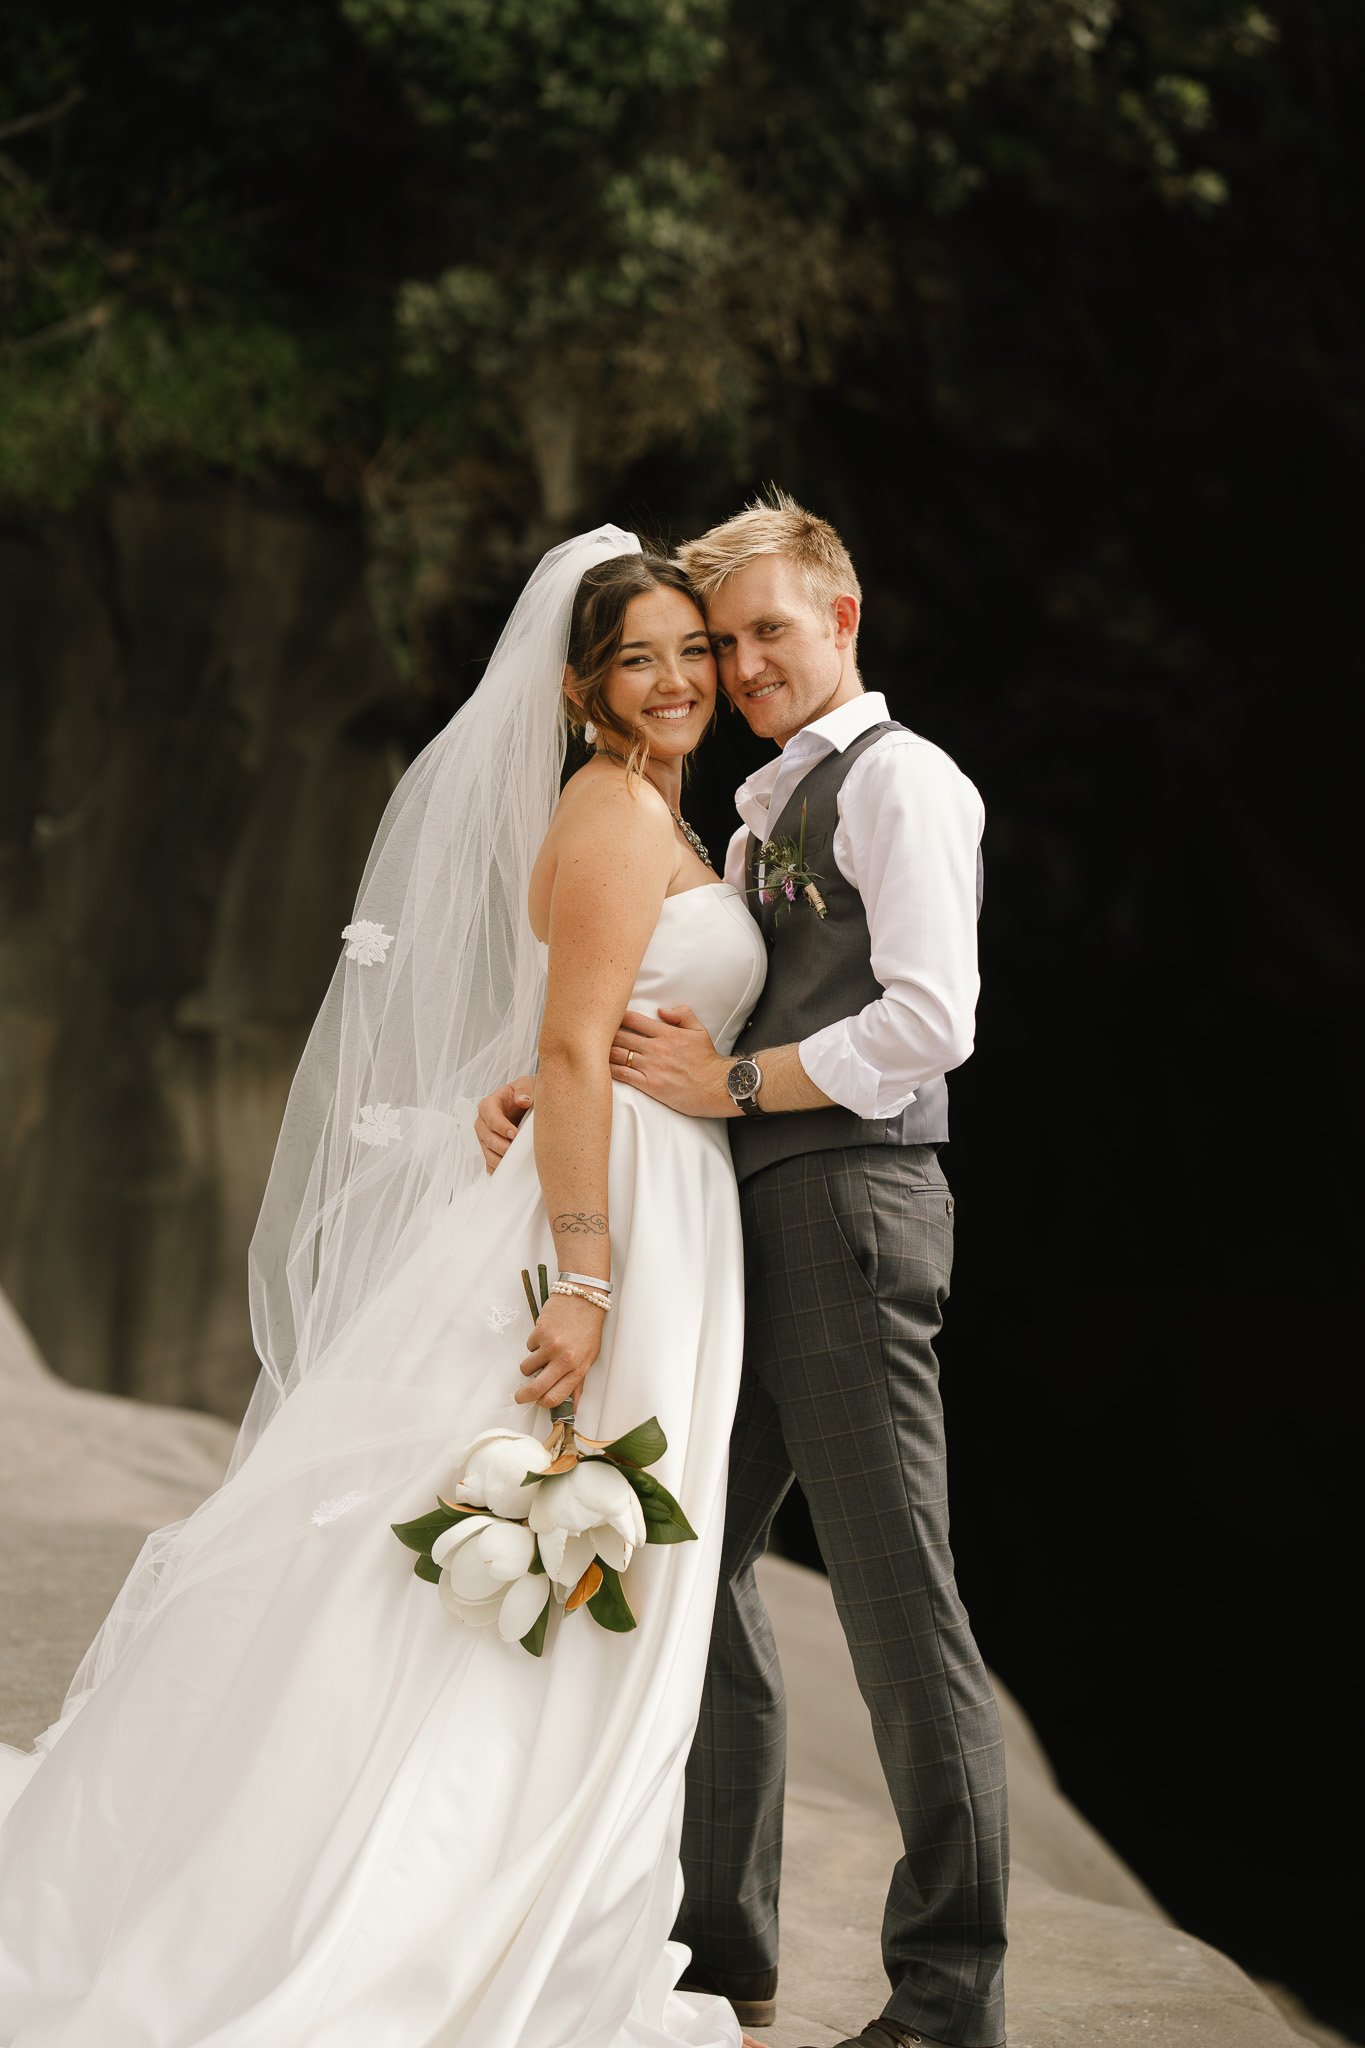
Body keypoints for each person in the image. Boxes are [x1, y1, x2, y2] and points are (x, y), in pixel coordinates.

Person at [0, 529, 770, 2048]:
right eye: (641, 657)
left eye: (695, 649)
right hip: (612, 1228)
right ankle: (420, 1896)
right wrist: (585, 1278)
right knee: (532, 1554)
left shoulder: (660, 813)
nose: (680, 679)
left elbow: (577, 1033)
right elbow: (569, 1055)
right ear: (579, 684)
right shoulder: (615, 815)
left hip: (651, 1201)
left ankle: (529, 1882)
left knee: (567, 1562)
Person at [478, 494, 1008, 2048]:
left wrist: (736, 1088)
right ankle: (721, 1944)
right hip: (752, 1222)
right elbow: (654, 990)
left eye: (770, 629)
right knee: (692, 1576)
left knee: (899, 1603)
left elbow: (931, 1019)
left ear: (843, 621)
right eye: (725, 641)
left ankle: (948, 1995)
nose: (743, 663)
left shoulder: (902, 783)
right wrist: (552, 1077)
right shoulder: (766, 799)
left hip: (846, 1205)